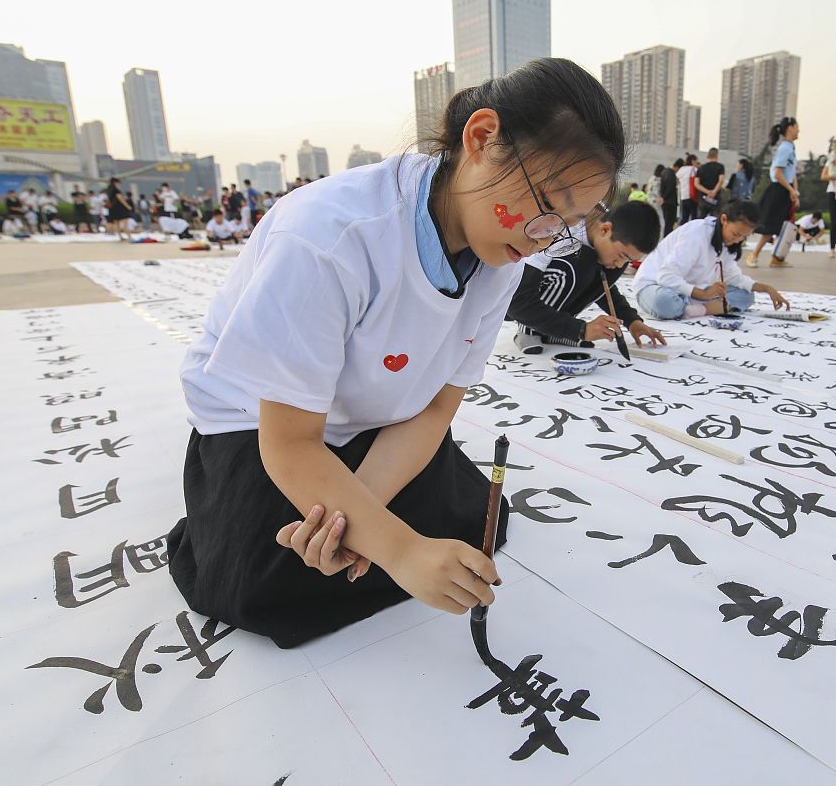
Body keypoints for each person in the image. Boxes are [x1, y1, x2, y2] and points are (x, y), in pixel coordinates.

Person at [166, 58, 625, 649]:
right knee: (268, 581)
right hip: (265, 430)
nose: (542, 240)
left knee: (463, 526)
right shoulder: (329, 237)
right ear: (482, 139)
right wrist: (399, 548)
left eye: (565, 225)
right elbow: (290, 442)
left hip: (381, 421)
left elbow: (434, 411)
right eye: (547, 205)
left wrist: (358, 521)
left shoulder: (502, 253)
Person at [508, 201, 665, 353]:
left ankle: (553, 332)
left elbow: (602, 286)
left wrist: (632, 321)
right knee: (584, 259)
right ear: (605, 230)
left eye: (628, 260)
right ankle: (529, 330)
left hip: (547, 292)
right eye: (621, 255)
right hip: (515, 296)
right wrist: (580, 329)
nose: (620, 264)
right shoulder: (561, 229)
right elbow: (518, 300)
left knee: (603, 264)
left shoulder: (607, 249)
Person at [632, 201, 789, 319]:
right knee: (664, 302)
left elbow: (732, 276)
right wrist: (703, 294)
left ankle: (696, 308)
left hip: (692, 292)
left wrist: (767, 288)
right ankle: (703, 307)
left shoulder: (727, 242)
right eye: (736, 234)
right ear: (724, 220)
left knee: (746, 296)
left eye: (743, 237)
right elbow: (665, 276)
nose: (738, 240)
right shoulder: (696, 233)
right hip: (655, 285)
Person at [746, 117, 800, 268]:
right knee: (771, 226)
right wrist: (791, 190)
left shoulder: (791, 148)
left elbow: (792, 173)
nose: (798, 130)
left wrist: (795, 192)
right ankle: (754, 254)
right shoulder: (785, 148)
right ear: (790, 128)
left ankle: (778, 257)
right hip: (779, 190)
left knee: (786, 226)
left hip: (786, 189)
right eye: (796, 127)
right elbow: (777, 173)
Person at [695, 147, 726, 219]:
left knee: (700, 219)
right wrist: (714, 192)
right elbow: (721, 180)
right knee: (714, 220)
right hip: (715, 198)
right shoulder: (720, 167)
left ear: (708, 156)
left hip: (703, 198)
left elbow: (696, 184)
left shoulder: (701, 168)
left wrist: (707, 192)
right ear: (717, 156)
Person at [677, 154, 699, 226]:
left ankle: (681, 232)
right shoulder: (695, 169)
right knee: (694, 218)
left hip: (683, 196)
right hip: (692, 196)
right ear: (692, 161)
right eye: (696, 161)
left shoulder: (682, 169)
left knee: (684, 218)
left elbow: (676, 178)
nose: (696, 163)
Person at [659, 159, 680, 236]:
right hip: (670, 202)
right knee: (669, 223)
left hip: (665, 202)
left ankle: (666, 238)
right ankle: (667, 239)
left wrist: (662, 197)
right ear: (677, 167)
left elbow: (662, 187)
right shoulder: (671, 174)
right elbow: (670, 187)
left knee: (667, 222)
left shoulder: (664, 172)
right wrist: (664, 198)